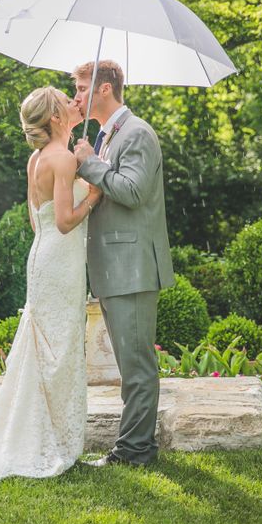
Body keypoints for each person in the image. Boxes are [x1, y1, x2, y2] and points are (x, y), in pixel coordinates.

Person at [0, 86, 102, 479]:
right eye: (66, 101)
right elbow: (65, 220)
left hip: (42, 256)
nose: (74, 103)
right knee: (60, 348)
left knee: (47, 349)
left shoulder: (37, 158)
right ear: (56, 118)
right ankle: (51, 442)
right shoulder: (63, 158)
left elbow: (34, 217)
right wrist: (94, 195)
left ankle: (39, 436)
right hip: (61, 261)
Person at [72, 60, 175, 467]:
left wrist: (88, 163)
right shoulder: (106, 135)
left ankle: (135, 452)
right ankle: (135, 447)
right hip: (116, 267)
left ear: (104, 89)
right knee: (130, 366)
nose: (76, 96)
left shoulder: (137, 133)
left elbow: (131, 191)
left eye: (81, 88)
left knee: (137, 368)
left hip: (132, 267)